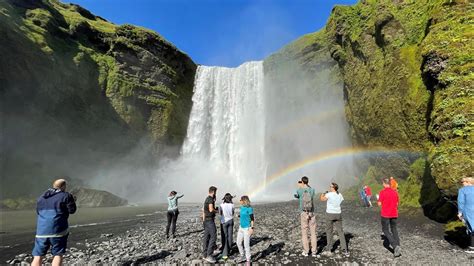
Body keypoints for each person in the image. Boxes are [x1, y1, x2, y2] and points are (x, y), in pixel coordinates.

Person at [32, 178, 77, 266]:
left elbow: (38, 212)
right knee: (57, 254)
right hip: (58, 230)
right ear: (63, 186)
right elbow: (72, 210)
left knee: (37, 256)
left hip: (41, 231)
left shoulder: (41, 197)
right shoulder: (66, 196)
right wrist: (73, 201)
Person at [320, 182, 348, 255]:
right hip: (338, 214)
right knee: (340, 231)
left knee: (329, 231)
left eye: (330, 186)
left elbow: (322, 199)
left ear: (333, 188)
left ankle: (329, 248)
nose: (329, 187)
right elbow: (340, 201)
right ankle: (344, 249)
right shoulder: (340, 194)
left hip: (330, 214)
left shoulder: (329, 194)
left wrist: (323, 193)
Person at [294, 176, 317, 257]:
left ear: (302, 182)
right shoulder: (312, 189)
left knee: (304, 232)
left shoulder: (299, 190)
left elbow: (296, 196)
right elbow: (312, 195)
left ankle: (306, 251)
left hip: (303, 213)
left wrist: (300, 187)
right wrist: (307, 186)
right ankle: (314, 251)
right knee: (313, 233)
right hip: (312, 213)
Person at [378, 178, 401, 257]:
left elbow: (379, 204)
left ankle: (395, 246)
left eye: (382, 183)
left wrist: (379, 200)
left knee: (385, 229)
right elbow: (397, 204)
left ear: (384, 183)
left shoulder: (382, 192)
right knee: (394, 229)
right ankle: (398, 245)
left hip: (385, 214)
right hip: (394, 213)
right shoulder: (395, 192)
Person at [457, 177, 474, 253]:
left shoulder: (462, 190)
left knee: (471, 228)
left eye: (463, 182)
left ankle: (472, 248)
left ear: (468, 182)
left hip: (468, 210)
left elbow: (461, 202)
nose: (462, 183)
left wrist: (460, 212)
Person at [202, 186, 218, 263]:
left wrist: (203, 221)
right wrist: (217, 211)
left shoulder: (207, 198)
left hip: (206, 221)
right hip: (210, 221)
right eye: (215, 192)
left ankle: (205, 255)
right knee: (213, 236)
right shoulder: (210, 199)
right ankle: (209, 255)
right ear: (213, 192)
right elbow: (211, 209)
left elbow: (203, 210)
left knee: (206, 237)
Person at [237, 195, 254, 265]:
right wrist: (238, 216)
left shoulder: (249, 208)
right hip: (241, 227)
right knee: (238, 243)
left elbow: (252, 219)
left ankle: (248, 260)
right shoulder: (242, 207)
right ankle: (242, 255)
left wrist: (252, 228)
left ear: (244, 200)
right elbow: (242, 215)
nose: (239, 201)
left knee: (246, 245)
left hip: (247, 228)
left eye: (240, 200)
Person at [218, 193, 235, 261]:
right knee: (230, 236)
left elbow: (220, 213)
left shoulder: (221, 205)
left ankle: (225, 254)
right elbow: (233, 213)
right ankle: (229, 248)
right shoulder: (232, 205)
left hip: (224, 222)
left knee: (224, 237)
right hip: (230, 221)